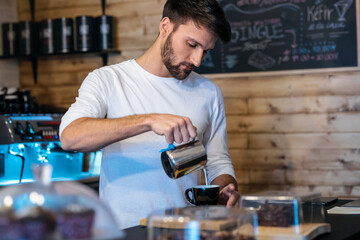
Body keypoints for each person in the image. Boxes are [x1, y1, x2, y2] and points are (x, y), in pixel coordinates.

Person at [60, 0, 239, 229]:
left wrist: (225, 188)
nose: (197, 60)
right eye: (192, 44)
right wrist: (148, 120)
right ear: (165, 26)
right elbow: (69, 137)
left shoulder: (209, 93)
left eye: (205, 51)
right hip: (123, 229)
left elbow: (217, 161)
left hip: (185, 229)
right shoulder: (108, 80)